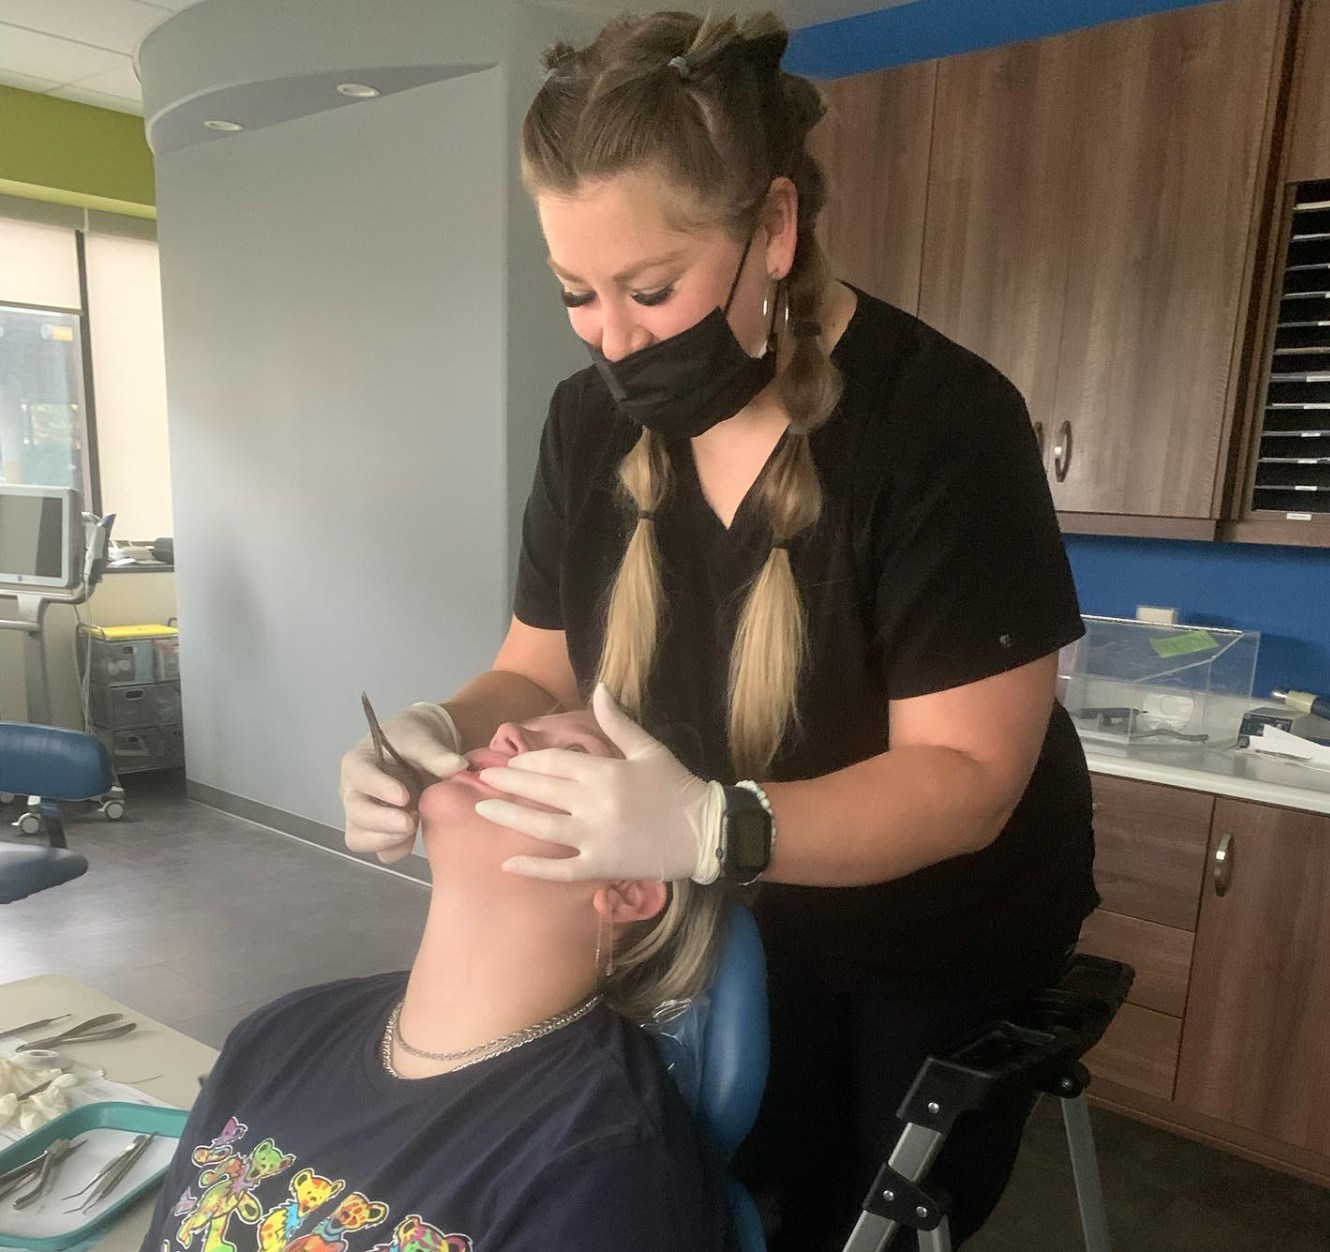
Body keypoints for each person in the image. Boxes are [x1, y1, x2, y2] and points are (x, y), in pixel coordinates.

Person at [340, 11, 1097, 1249]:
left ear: (775, 230)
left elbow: (963, 780)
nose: (613, 338)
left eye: (652, 287)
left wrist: (713, 824)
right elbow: (534, 667)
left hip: (913, 934)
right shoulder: (586, 427)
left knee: (834, 1212)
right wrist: (431, 730)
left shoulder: (941, 425)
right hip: (694, 910)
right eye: (576, 292)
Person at [142, 709, 735, 1252]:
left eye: (572, 756)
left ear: (629, 889)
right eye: (527, 724)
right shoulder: (277, 1034)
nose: (506, 732)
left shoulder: (602, 1164)